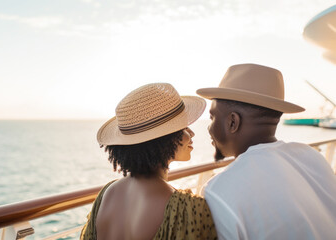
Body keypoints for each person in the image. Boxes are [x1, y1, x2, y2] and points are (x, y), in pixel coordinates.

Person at [196, 63, 336, 239]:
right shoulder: (311, 156)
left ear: (233, 122)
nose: (209, 128)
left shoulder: (219, 192)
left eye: (212, 117)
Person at [80, 83, 217, 240]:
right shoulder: (183, 209)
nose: (191, 133)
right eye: (184, 127)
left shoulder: (107, 193)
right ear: (165, 139)